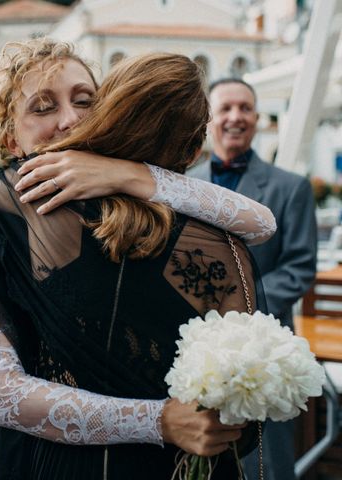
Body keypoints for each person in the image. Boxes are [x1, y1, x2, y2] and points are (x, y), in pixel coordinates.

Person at [0, 40, 274, 479]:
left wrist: (129, 174)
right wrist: (160, 420)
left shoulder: (182, 218)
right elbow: (1, 393)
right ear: (10, 138)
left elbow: (261, 222)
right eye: (42, 108)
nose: (70, 120)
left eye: (85, 101)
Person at [187, 78, 318, 480]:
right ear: (210, 119)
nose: (235, 117)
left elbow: (300, 266)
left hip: (266, 347)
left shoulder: (291, 187)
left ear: (258, 119)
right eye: (226, 108)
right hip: (194, 346)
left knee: (266, 462)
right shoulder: (183, 183)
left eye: (245, 108)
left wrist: (239, 308)